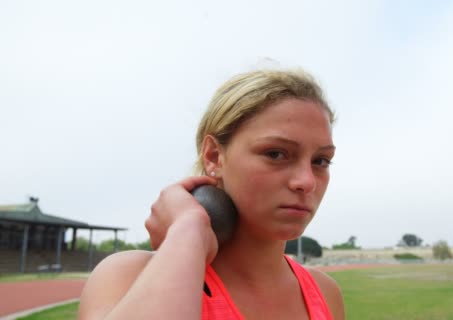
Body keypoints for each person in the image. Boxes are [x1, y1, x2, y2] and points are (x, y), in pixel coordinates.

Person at [79, 69, 345, 319]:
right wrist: (189, 228)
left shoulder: (325, 292)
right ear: (214, 156)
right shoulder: (126, 277)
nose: (306, 181)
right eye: (276, 154)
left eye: (321, 161)